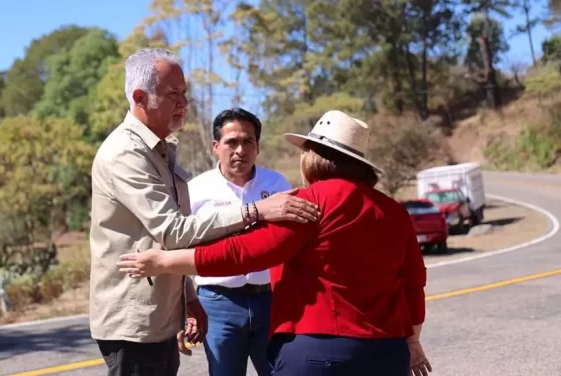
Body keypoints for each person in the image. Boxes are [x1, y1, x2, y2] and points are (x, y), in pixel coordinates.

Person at [117, 110, 432, 376]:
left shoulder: (308, 203)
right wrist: (412, 343)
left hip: (318, 352)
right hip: (387, 354)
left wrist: (164, 262)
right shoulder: (394, 212)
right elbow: (414, 284)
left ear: (314, 157)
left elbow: (244, 252)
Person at [89, 47, 320, 376]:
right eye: (173, 94)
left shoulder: (159, 150)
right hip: (135, 322)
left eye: (185, 93)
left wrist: (189, 300)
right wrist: (255, 211)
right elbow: (174, 232)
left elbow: (167, 244)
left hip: (163, 315)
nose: (184, 103)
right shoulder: (126, 154)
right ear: (140, 97)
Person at [187, 107, 292, 376]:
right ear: (215, 146)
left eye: (248, 141)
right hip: (216, 303)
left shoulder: (278, 185)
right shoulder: (196, 190)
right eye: (231, 142)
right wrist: (184, 308)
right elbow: (178, 247)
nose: (240, 150)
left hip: (270, 301)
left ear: (257, 146)